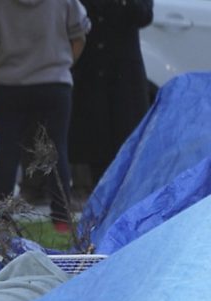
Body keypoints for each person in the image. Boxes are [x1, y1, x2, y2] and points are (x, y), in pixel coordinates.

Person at [0, 0, 90, 232]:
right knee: (57, 150)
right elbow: (80, 35)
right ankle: (62, 218)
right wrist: (63, 64)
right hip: (54, 83)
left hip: (9, 85)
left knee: (7, 151)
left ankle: (1, 217)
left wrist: (2, 65)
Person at [68, 0, 153, 194]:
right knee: (93, 145)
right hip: (89, 74)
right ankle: (92, 194)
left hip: (123, 77)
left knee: (126, 142)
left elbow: (144, 16)